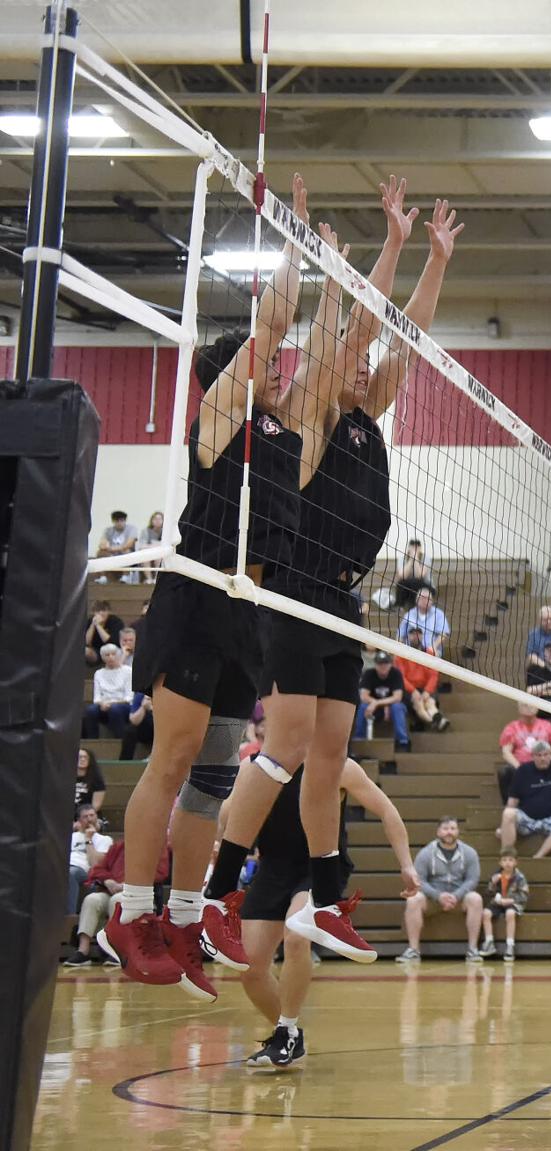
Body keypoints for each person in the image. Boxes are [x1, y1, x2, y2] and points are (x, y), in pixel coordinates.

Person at [207, 186, 462, 974]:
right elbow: (360, 325)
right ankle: (218, 891)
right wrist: (386, 251)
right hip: (294, 590)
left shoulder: (367, 407)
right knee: (283, 752)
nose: (361, 356)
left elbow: (405, 336)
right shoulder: (310, 417)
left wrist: (436, 259)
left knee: (328, 761)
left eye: (362, 355)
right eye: (352, 350)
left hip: (344, 604)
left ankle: (322, 901)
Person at [101, 175, 315, 993]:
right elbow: (271, 329)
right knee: (176, 754)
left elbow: (318, 367)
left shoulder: (282, 431)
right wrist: (290, 241)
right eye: (266, 362)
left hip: (245, 619)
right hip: (195, 597)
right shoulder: (222, 416)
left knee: (217, 771)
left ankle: (187, 915)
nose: (280, 369)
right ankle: (130, 907)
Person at [240, 757, 417, 1065]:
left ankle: (286, 1029)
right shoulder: (254, 766)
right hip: (273, 868)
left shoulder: (339, 766)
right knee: (251, 969)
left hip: (319, 867)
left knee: (296, 935)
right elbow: (229, 813)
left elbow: (387, 810)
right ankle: (289, 1034)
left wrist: (407, 865)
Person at [67, 836, 170, 967]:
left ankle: (116, 949)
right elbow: (98, 869)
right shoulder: (119, 846)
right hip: (111, 890)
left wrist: (130, 884)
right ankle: (83, 950)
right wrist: (107, 880)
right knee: (91, 899)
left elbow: (161, 873)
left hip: (137, 893)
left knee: (117, 900)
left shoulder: (157, 847)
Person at [399, 815, 482, 963]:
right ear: (438, 832)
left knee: (476, 899)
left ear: (458, 831)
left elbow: (472, 880)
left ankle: (473, 950)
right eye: (445, 828)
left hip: (459, 899)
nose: (449, 832)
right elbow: (419, 881)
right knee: (413, 900)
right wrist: (438, 896)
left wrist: (456, 895)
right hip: (433, 899)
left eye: (452, 828)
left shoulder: (470, 853)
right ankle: (413, 950)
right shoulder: (426, 853)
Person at [500, 739, 551, 859]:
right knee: (508, 813)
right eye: (539, 755)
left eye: (546, 755)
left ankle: (539, 856)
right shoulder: (522, 771)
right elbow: (513, 801)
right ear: (533, 756)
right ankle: (507, 857)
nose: (543, 758)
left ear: (550, 755)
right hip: (527, 820)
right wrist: (504, 826)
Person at [495, 701, 551, 804]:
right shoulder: (511, 727)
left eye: (531, 704)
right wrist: (519, 767)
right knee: (504, 772)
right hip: (520, 766)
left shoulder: (547, 726)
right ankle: (510, 807)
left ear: (538, 708)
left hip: (543, 764)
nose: (528, 706)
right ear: (518, 709)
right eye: (524, 704)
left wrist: (549, 762)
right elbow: (506, 752)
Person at [354, 651, 410, 752]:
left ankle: (403, 742)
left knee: (397, 707)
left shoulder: (396, 673)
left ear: (390, 664)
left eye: (385, 663)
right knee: (363, 707)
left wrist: (377, 703)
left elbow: (397, 697)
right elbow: (363, 696)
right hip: (375, 708)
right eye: (380, 664)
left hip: (392, 707)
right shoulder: (369, 673)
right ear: (375, 664)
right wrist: (377, 704)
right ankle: (359, 739)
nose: (383, 666)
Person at [481, 850, 529, 963]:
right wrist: (492, 883)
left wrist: (510, 900)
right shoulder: (496, 876)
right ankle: (489, 942)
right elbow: (488, 893)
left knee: (510, 914)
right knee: (486, 913)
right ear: (500, 863)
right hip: (498, 903)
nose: (507, 863)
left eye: (511, 860)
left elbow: (524, 896)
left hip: (513, 903)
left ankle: (510, 945)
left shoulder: (519, 877)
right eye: (504, 860)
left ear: (516, 862)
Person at [397, 629, 449, 732]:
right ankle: (435, 722)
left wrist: (427, 691)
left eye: (418, 633)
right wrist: (413, 691)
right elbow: (401, 677)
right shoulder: (401, 653)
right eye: (412, 633)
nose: (415, 636)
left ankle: (436, 721)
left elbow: (434, 676)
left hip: (425, 688)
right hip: (409, 690)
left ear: (421, 636)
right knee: (419, 703)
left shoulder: (429, 653)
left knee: (430, 702)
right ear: (408, 636)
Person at [82, 644, 134, 740]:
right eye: (107, 655)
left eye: (113, 654)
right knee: (90, 710)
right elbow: (97, 698)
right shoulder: (99, 673)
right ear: (102, 657)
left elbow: (129, 698)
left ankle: (120, 738)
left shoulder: (128, 671)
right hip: (103, 705)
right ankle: (92, 740)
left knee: (114, 709)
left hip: (123, 705)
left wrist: (110, 703)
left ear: (118, 655)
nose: (110, 657)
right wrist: (102, 703)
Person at [68, 805, 112, 915]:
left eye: (92, 815)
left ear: (97, 817)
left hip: (83, 870)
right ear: (79, 821)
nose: (89, 819)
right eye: (85, 816)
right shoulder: (71, 836)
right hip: (66, 865)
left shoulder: (104, 840)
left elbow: (95, 863)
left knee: (70, 873)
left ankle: (69, 917)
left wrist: (88, 839)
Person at [399, 587, 451, 658]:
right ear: (417, 600)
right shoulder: (409, 614)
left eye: (428, 599)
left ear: (432, 601)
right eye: (422, 598)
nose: (425, 601)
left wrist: (433, 647)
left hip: (431, 650)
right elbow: (400, 635)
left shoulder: (439, 614)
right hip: (411, 650)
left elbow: (443, 634)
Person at [393, 539, 433, 608]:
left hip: (426, 586)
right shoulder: (402, 558)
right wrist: (411, 560)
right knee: (401, 583)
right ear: (409, 548)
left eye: (417, 547)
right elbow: (402, 576)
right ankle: (399, 606)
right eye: (413, 547)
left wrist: (416, 558)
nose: (415, 550)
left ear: (420, 548)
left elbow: (419, 575)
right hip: (409, 585)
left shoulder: (426, 558)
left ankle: (414, 606)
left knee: (414, 581)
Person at [84, 601, 124, 668]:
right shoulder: (90, 621)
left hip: (113, 650)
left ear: (108, 611)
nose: (101, 613)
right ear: (94, 613)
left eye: (104, 610)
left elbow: (109, 641)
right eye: (98, 611)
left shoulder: (116, 621)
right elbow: (86, 642)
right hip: (96, 652)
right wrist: (93, 625)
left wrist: (98, 626)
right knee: (85, 651)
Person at [74, 747, 107, 820]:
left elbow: (96, 806)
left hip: (88, 816)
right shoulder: (66, 778)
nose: (82, 759)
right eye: (79, 757)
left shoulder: (97, 780)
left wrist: (81, 820)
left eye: (85, 757)